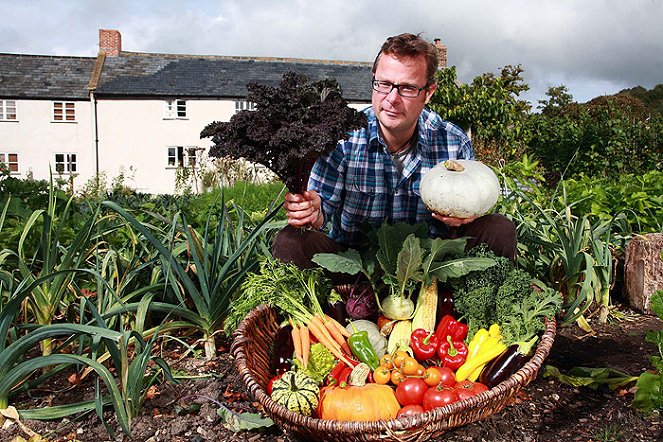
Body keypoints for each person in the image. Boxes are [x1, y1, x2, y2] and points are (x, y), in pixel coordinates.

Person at [272, 33, 516, 281]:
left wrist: (463, 218)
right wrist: (313, 211)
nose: (391, 99)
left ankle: (470, 307)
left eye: (407, 88)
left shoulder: (452, 142)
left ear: (428, 93)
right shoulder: (342, 139)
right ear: (374, 81)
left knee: (498, 229)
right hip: (355, 267)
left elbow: (467, 214)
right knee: (291, 241)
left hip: (428, 270)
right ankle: (327, 307)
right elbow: (323, 210)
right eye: (384, 84)